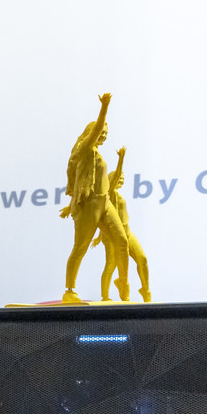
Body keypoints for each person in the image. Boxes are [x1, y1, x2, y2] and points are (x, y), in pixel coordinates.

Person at [58, 93, 131, 304]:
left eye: (106, 134)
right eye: (101, 132)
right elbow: (97, 128)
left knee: (122, 242)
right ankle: (70, 290)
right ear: (90, 132)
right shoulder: (85, 148)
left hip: (104, 203)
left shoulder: (98, 154)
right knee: (80, 247)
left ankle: (123, 284)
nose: (104, 136)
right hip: (89, 205)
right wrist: (105, 107)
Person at [93, 146, 152, 302]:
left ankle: (146, 291)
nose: (121, 178)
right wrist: (121, 159)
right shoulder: (108, 194)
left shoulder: (118, 196)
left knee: (142, 259)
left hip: (127, 231)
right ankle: (105, 296)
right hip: (113, 235)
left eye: (122, 178)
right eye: (118, 177)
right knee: (111, 264)